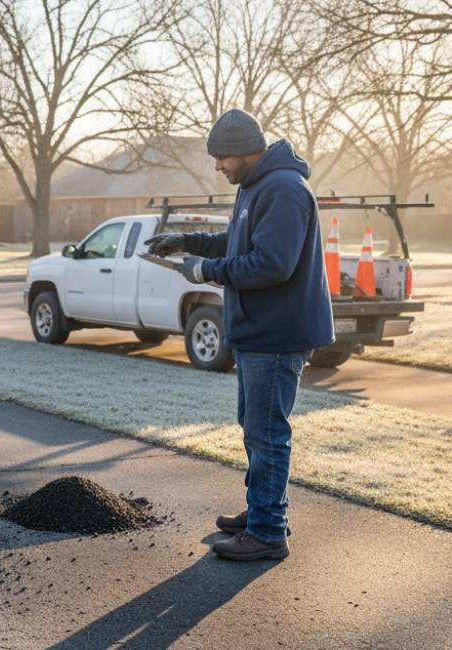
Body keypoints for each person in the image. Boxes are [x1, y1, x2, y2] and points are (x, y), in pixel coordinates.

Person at [145, 109, 334, 560]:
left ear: (243, 151)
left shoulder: (285, 190)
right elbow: (237, 242)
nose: (217, 167)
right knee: (255, 429)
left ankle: (268, 534)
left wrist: (205, 270)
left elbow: (271, 264)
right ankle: (262, 511)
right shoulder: (256, 187)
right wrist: (187, 242)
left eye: (221, 158)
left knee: (267, 433)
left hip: (276, 333)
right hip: (257, 332)